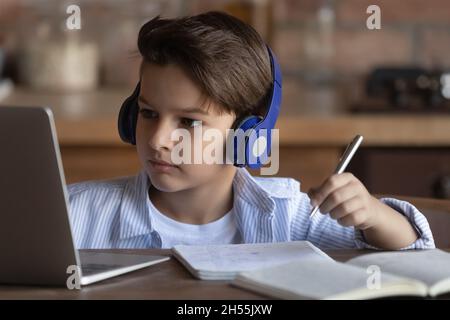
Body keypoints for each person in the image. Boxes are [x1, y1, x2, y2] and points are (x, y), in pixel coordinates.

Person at [68, 11, 434, 250]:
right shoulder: (75, 216)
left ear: (249, 131)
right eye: (148, 113)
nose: (159, 140)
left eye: (189, 122)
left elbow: (416, 255)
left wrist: (372, 213)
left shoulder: (291, 217)